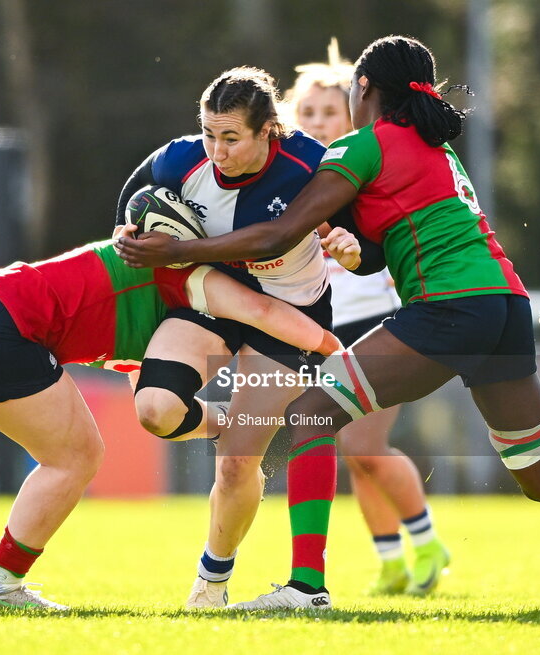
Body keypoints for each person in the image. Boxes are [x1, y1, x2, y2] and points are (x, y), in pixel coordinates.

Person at [116, 35, 540, 610]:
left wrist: (173, 250)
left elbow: (283, 230)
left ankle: (305, 588)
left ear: (364, 90)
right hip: (505, 305)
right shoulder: (437, 150)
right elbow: (388, 249)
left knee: (310, 411)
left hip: (452, 309)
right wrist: (358, 253)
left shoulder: (362, 145)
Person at [0, 234, 340, 611]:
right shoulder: (190, 275)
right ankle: (2, 588)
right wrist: (337, 351)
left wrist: (214, 422)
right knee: (76, 457)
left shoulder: (139, 285)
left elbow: (152, 398)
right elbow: (264, 312)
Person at [113, 66, 350, 609]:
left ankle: (210, 585)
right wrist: (130, 235)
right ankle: (227, 421)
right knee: (154, 410)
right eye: (209, 134)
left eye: (231, 137)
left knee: (237, 463)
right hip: (209, 300)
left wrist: (351, 246)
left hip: (289, 313)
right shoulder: (179, 159)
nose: (216, 151)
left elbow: (358, 234)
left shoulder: (310, 164)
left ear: (270, 129)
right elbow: (128, 210)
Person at [285, 40, 448, 596]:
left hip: (380, 317)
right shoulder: (298, 178)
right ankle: (392, 560)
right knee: (349, 452)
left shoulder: (369, 158)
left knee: (362, 446)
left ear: (356, 106)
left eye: (329, 111)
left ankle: (427, 545)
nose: (318, 121)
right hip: (321, 329)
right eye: (306, 113)